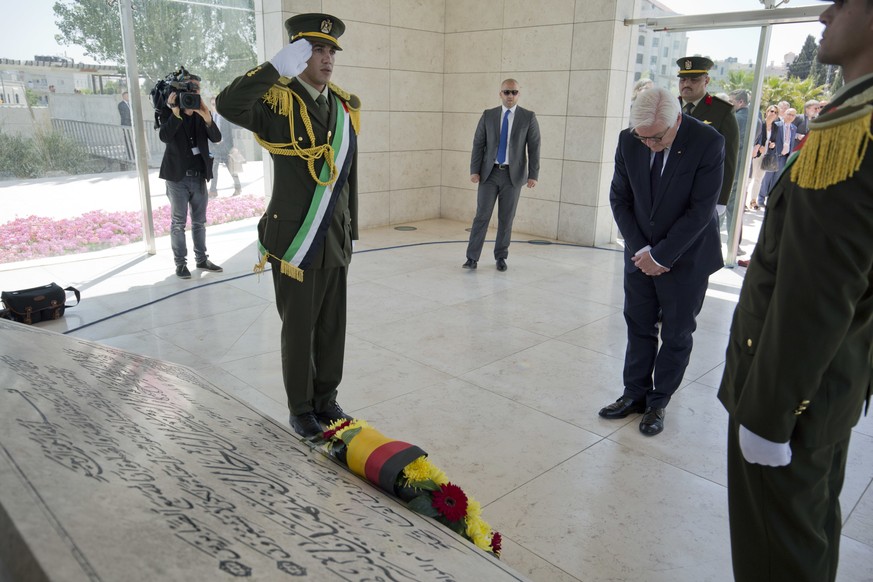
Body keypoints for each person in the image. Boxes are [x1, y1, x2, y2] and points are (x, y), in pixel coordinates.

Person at [718, 0, 873, 579]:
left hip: (790, 397)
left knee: (777, 555)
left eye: (843, 2)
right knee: (809, 537)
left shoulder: (853, 128)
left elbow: (818, 292)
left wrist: (768, 415)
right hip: (831, 384)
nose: (825, 15)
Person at [216, 13, 359, 439]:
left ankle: (326, 399)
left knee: (333, 324)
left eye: (331, 50)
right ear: (298, 53)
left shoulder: (343, 105)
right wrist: (275, 69)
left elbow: (348, 176)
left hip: (332, 236)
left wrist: (350, 230)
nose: (327, 58)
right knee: (299, 328)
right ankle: (301, 408)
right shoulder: (278, 102)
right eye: (317, 49)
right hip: (295, 237)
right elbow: (228, 105)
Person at [599, 86, 724, 436]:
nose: (649, 145)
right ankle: (633, 394)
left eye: (657, 139)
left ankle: (658, 403)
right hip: (640, 255)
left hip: (687, 257)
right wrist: (642, 251)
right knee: (638, 324)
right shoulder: (630, 141)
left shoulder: (707, 142)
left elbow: (701, 210)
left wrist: (662, 255)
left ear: (677, 121)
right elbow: (619, 198)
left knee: (677, 332)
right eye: (643, 139)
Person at [462, 79, 540, 272]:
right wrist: (474, 170)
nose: (510, 96)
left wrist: (533, 175)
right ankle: (472, 258)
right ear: (500, 94)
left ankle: (501, 257)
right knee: (481, 216)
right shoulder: (489, 115)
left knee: (506, 219)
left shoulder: (528, 117)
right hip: (489, 174)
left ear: (518, 94)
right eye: (507, 92)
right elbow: (478, 143)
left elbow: (534, 147)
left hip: (513, 177)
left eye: (514, 92)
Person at [157, 70, 223, 279]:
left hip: (198, 175)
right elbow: (165, 136)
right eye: (190, 88)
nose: (194, 92)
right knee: (178, 222)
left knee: (199, 222)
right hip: (177, 177)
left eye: (197, 88)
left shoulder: (200, 111)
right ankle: (180, 264)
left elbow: (217, 137)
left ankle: (201, 259)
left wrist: (206, 117)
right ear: (181, 89)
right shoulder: (169, 111)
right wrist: (176, 114)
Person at [676, 56, 739, 220]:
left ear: (706, 80)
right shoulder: (670, 107)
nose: (686, 84)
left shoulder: (721, 111)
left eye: (694, 79)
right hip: (671, 190)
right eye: (682, 79)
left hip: (704, 193)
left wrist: (721, 199)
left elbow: (729, 159)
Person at [755, 106, 796, 209]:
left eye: (793, 115)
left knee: (776, 180)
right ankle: (760, 199)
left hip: (784, 157)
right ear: (784, 114)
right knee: (766, 179)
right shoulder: (777, 125)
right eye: (789, 114)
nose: (790, 116)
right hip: (774, 155)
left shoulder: (793, 128)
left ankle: (771, 200)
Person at [208, 96, 242, 198]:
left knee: (232, 169)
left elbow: (235, 126)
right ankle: (213, 191)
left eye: (216, 104)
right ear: (211, 105)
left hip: (226, 148)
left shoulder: (226, 117)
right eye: (213, 104)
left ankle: (238, 187)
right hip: (214, 148)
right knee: (214, 170)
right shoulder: (208, 118)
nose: (215, 107)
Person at [118, 91, 134, 160]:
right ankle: (129, 153)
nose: (128, 97)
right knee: (128, 139)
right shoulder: (121, 105)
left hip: (131, 125)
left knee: (132, 139)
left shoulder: (130, 104)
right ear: (123, 96)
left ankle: (132, 153)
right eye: (127, 96)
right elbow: (125, 115)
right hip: (126, 124)